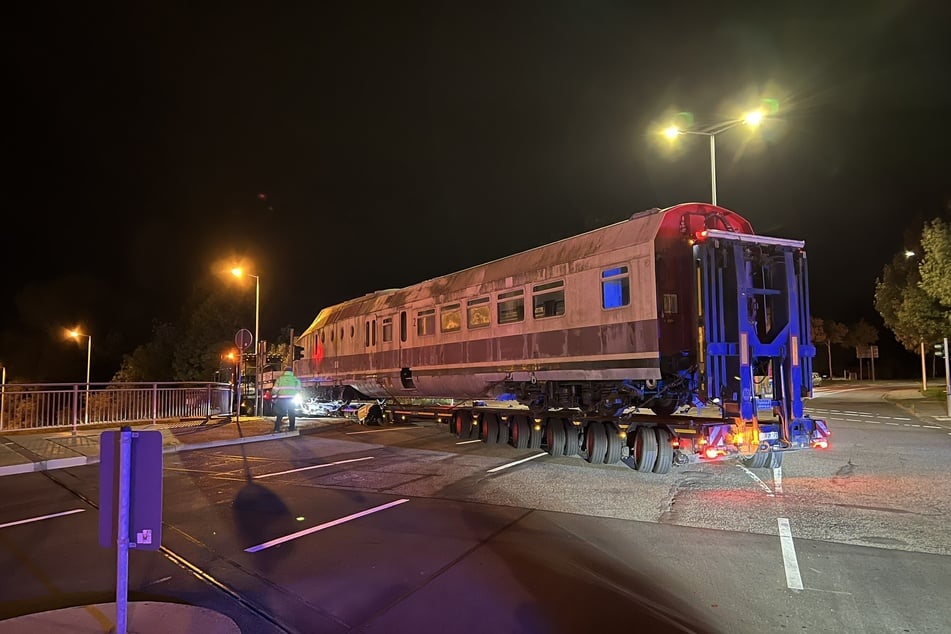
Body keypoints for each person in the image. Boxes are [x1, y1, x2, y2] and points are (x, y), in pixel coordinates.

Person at [272, 366, 302, 432]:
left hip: (281, 399)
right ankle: (291, 428)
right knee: (291, 413)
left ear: (284, 371)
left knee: (280, 414)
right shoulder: (295, 379)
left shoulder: (280, 379)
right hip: (291, 399)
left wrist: (274, 398)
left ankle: (276, 428)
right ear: (291, 372)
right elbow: (299, 390)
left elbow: (274, 390)